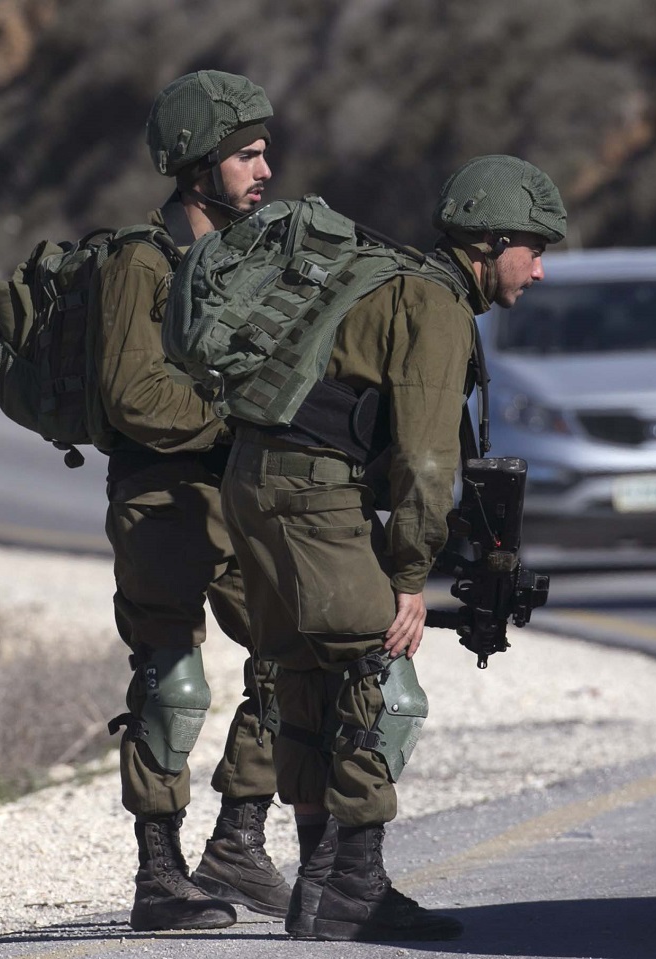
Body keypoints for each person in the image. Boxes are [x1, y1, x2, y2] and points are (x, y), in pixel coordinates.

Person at [219, 155, 567, 941]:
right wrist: (409, 576)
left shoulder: (381, 277)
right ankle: (355, 884)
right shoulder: (436, 303)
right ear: (492, 242)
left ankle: (319, 886)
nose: (541, 270)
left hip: (253, 480)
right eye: (535, 249)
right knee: (381, 676)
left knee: (305, 675)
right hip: (314, 491)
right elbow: (423, 458)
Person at [96, 69, 289, 932]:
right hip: (162, 497)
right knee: (173, 681)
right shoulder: (142, 260)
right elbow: (133, 393)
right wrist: (232, 422)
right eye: (246, 154)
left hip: (246, 493)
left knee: (301, 650)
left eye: (263, 152)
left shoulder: (263, 255)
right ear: (195, 164)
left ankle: (240, 840)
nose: (265, 169)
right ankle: (158, 874)